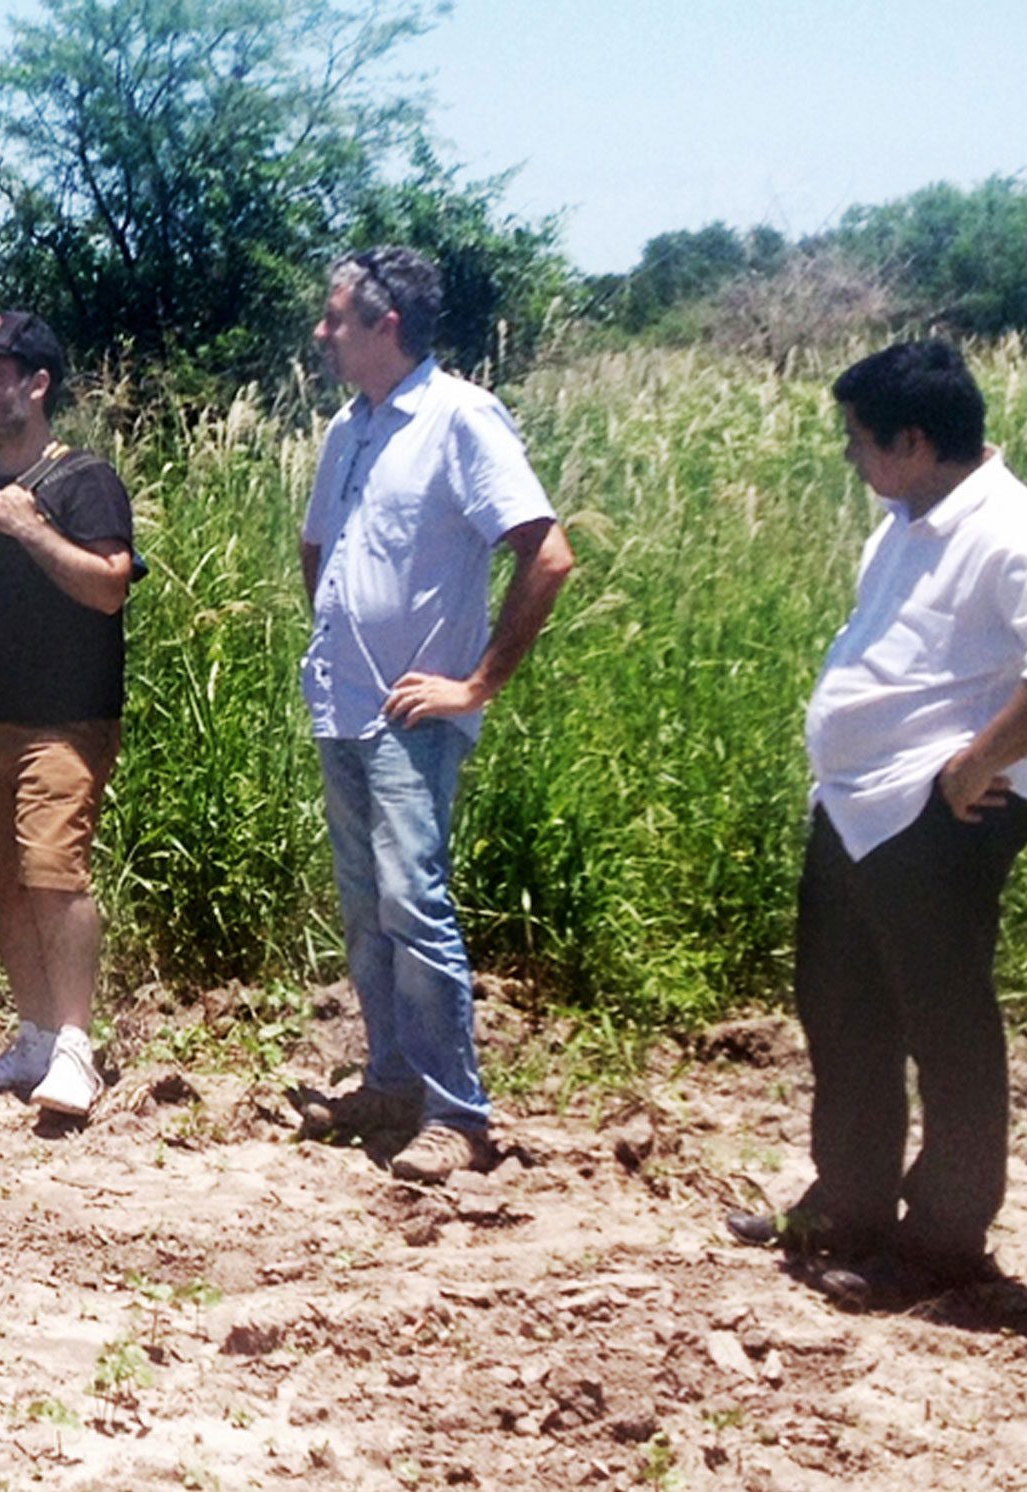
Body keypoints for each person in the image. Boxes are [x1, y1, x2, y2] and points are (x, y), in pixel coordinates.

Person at [726, 340, 1027, 1306]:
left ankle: (944, 1241)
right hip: (858, 811)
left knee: (945, 1030)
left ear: (912, 438)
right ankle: (847, 1206)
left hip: (938, 819)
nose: (851, 460)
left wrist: (982, 759)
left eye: (859, 442)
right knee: (843, 1012)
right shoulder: (905, 523)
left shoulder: (1016, 532)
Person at [287, 246, 576, 1185]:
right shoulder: (349, 430)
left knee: (414, 901)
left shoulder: (460, 418)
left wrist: (476, 683)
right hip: (344, 701)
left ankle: (459, 1112)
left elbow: (547, 553)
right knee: (367, 910)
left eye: (337, 319)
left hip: (413, 715)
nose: (323, 334)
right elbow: (318, 546)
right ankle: (391, 1079)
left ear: (387, 326)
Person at [0, 312, 141, 1117]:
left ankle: (77, 1048)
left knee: (54, 876)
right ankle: (36, 1037)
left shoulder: (84, 481)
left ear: (36, 385)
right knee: (5, 881)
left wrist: (33, 529)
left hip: (65, 720)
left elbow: (108, 586)